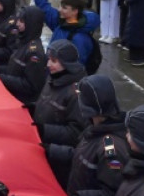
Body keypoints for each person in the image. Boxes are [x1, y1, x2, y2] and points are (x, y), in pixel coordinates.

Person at [65, 74, 129, 196]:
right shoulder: (94, 127)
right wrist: (53, 150)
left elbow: (112, 191)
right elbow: (84, 155)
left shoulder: (111, 148)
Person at [36, 40, 88, 188]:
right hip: (46, 149)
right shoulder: (53, 78)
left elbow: (75, 132)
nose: (48, 64)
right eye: (48, 60)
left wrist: (44, 130)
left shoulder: (77, 94)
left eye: (54, 61)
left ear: (67, 64)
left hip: (60, 160)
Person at [29, 0, 99, 67]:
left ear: (75, 11)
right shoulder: (61, 22)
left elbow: (77, 66)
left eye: (64, 8)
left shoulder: (80, 38)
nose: (59, 10)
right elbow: (44, 7)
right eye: (60, 6)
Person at [0, 6, 47, 108]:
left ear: (31, 24)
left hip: (19, 102)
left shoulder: (35, 53)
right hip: (11, 95)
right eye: (18, 20)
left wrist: (4, 79)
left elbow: (30, 85)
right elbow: (15, 67)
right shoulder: (23, 41)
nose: (17, 23)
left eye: (22, 21)